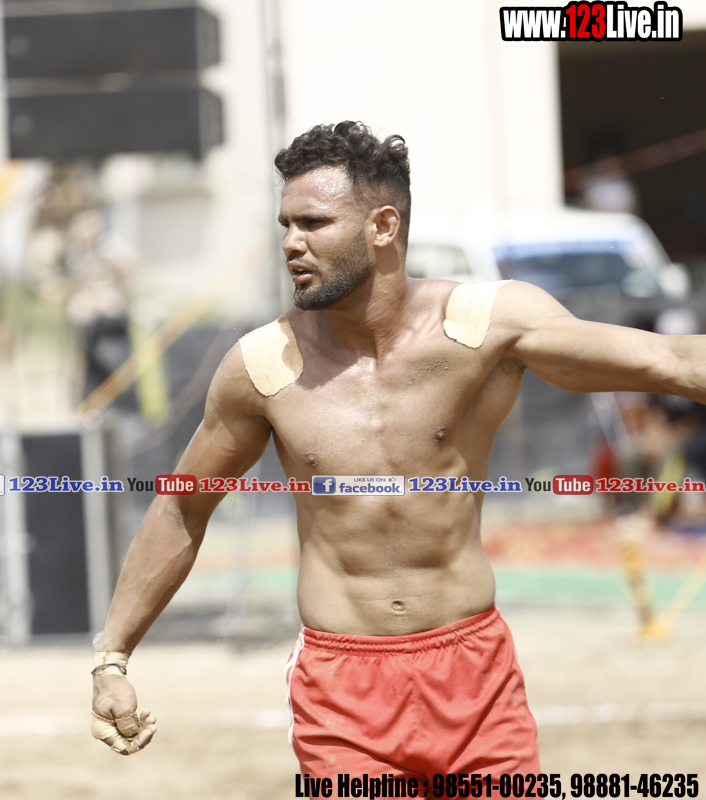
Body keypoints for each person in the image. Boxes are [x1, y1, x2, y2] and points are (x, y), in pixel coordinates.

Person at [90, 121, 706, 775]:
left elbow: (672, 361)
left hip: (475, 680)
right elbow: (182, 507)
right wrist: (112, 658)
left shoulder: (484, 328)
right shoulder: (265, 365)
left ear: (384, 226)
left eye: (313, 223)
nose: (291, 242)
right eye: (286, 224)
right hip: (342, 694)